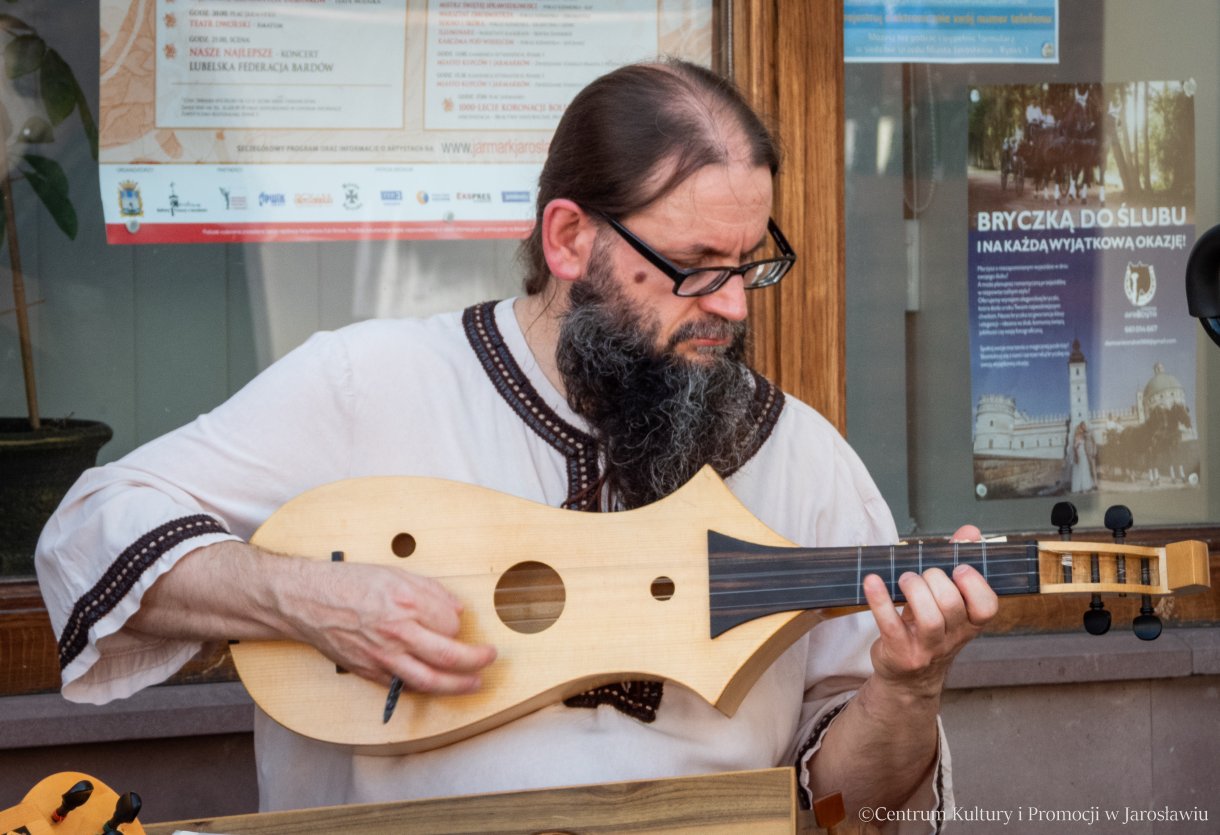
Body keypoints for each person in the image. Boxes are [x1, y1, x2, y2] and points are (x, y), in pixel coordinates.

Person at [36, 59, 996, 828]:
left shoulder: (798, 456)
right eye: (696, 267)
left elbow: (844, 809)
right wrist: (304, 595)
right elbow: (90, 528)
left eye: (751, 264)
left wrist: (908, 691)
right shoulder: (373, 386)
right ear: (570, 238)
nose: (736, 305)